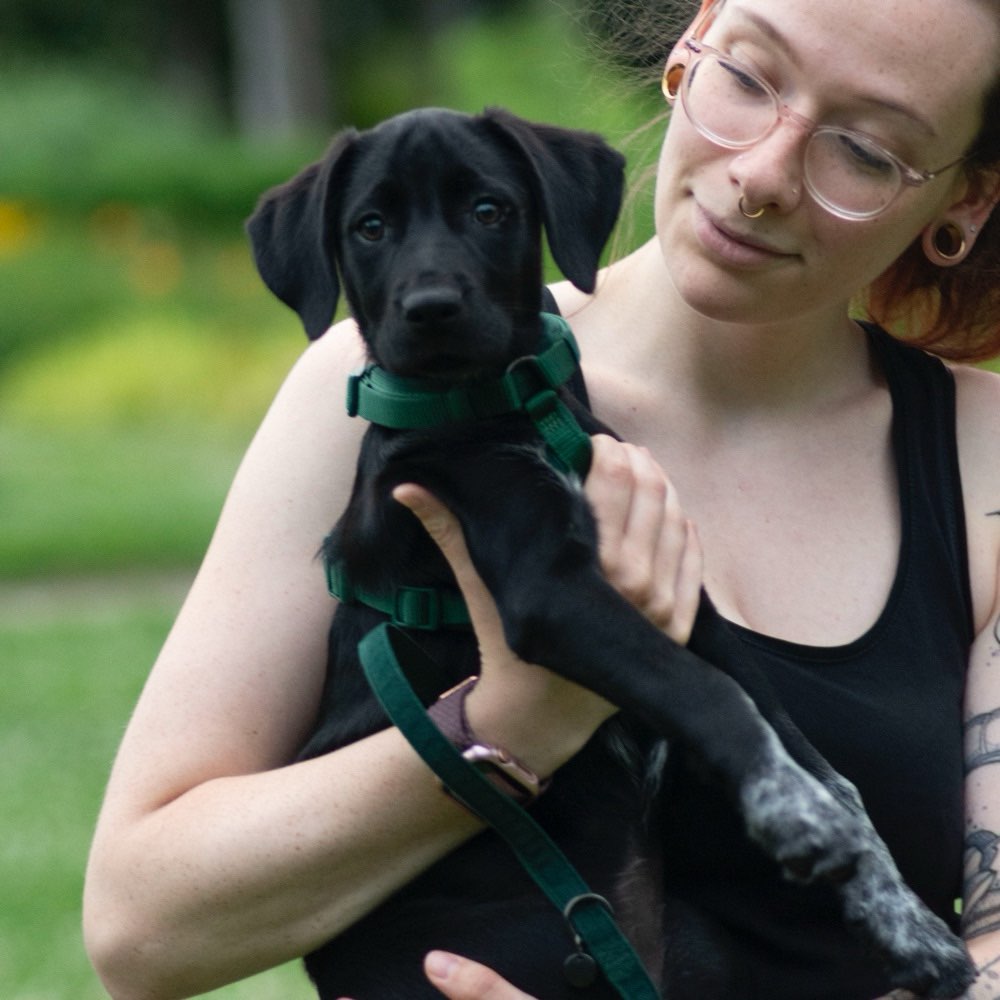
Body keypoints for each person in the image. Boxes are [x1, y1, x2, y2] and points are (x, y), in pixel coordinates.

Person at [82, 0, 1000, 995]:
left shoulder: (983, 460)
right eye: (748, 75)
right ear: (691, 48)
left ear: (964, 204)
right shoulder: (377, 403)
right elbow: (143, 926)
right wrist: (511, 725)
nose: (762, 174)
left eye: (865, 150)